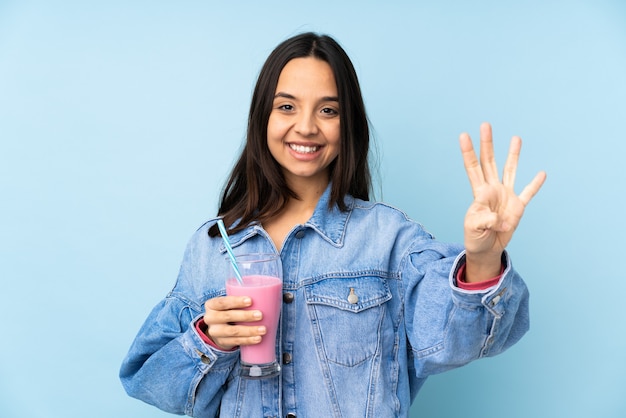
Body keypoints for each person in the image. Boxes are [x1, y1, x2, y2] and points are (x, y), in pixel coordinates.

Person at [120, 32, 546, 417]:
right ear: (262, 118)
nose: (305, 127)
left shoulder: (388, 239)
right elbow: (150, 383)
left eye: (328, 110)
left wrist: (483, 259)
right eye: (286, 106)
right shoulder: (213, 246)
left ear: (349, 126)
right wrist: (208, 339)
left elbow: (458, 342)